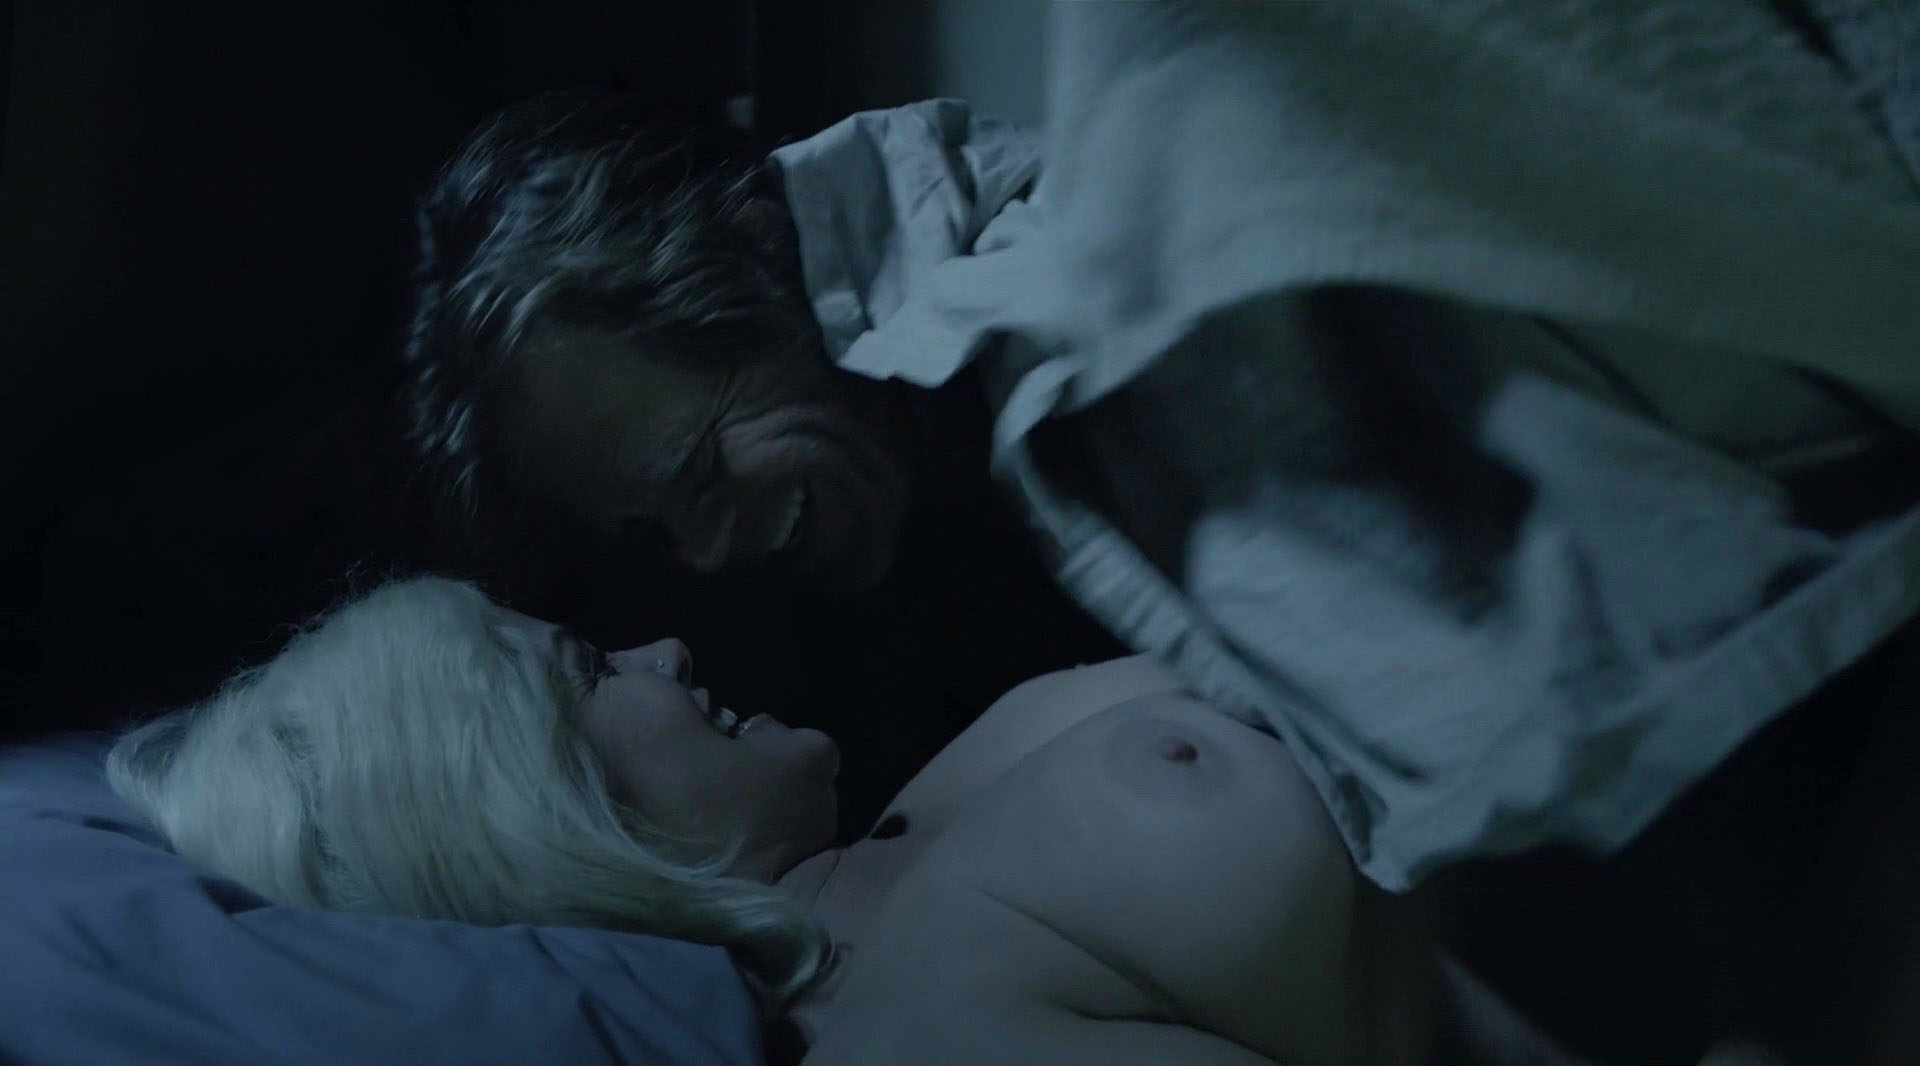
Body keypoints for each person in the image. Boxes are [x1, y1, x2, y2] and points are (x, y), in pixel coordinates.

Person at [105, 576, 1585, 1065]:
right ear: (540, 813)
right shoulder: (900, 1035)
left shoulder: (899, 833)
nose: (664, 649)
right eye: (591, 671)